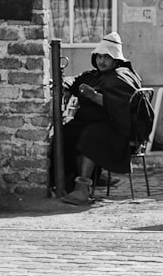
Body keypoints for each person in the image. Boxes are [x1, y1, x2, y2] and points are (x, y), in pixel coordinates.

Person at [60, 32, 144, 205]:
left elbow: (122, 105)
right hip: (88, 123)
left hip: (114, 128)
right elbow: (75, 80)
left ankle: (82, 189)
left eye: (107, 57)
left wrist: (94, 96)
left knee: (91, 136)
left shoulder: (122, 77)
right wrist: (67, 86)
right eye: (99, 56)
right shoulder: (94, 75)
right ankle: (66, 182)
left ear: (116, 60)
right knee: (65, 134)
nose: (102, 61)